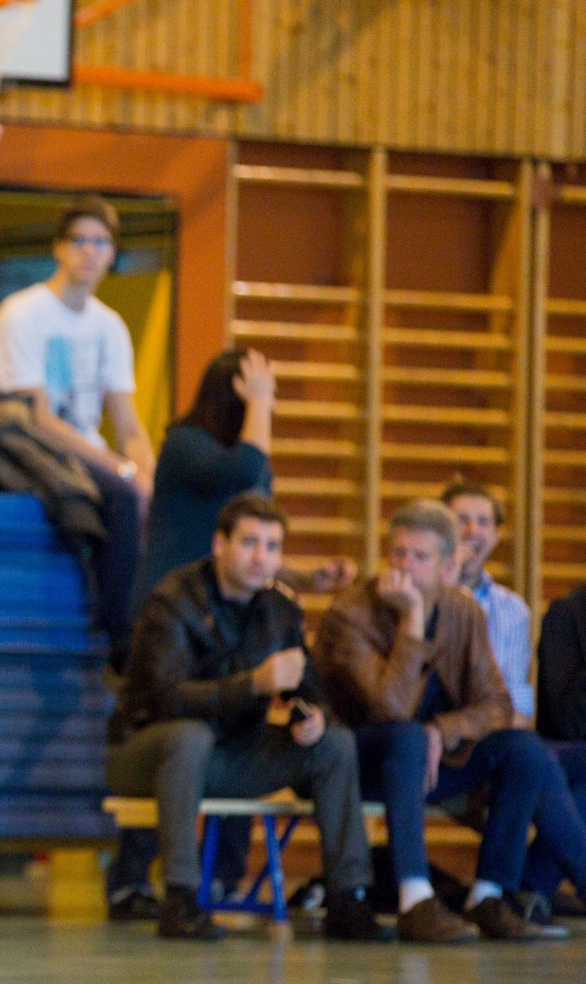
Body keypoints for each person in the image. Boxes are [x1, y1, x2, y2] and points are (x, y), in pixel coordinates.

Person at [108, 348, 356, 919]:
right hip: (172, 612)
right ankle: (145, 882)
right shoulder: (187, 445)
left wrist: (297, 578)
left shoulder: (265, 591)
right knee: (182, 728)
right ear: (238, 389)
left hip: (230, 611)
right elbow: (246, 477)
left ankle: (333, 892)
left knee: (250, 726)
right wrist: (262, 403)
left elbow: (251, 530)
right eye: (261, 383)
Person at [108, 495, 386, 941]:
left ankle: (347, 898)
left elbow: (309, 689)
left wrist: (313, 717)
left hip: (232, 755)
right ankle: (181, 897)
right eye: (250, 543)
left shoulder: (280, 609)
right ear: (220, 545)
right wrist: (252, 684)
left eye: (273, 547)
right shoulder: (173, 600)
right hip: (147, 753)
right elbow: (163, 700)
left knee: (334, 744)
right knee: (188, 736)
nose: (262, 558)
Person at [316, 501, 581, 943]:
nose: (405, 566)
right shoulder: (352, 613)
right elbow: (391, 709)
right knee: (407, 736)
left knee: (525, 749)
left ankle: (489, 894)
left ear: (448, 565)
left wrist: (443, 729)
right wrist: (412, 623)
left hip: (434, 762)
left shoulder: (464, 613)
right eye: (398, 553)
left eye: (420, 557)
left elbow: (496, 703)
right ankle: (415, 898)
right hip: (361, 767)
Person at [0, 196, 149, 670]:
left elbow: (128, 422)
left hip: (85, 454)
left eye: (100, 242)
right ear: (59, 249)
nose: (89, 252)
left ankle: (153, 631)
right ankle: (119, 642)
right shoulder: (22, 314)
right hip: (26, 450)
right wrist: (120, 469)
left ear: (112, 254)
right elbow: (36, 421)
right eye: (79, 241)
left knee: (152, 498)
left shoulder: (109, 326)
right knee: (119, 496)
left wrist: (150, 477)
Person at [446, 480, 586, 928]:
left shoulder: (512, 609)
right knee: (535, 756)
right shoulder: (416, 599)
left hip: (506, 741)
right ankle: (526, 888)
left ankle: (526, 888)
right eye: (460, 519)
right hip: (445, 745)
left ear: (497, 534)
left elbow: (519, 703)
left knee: (550, 759)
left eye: (483, 521)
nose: (472, 530)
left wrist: (500, 721)